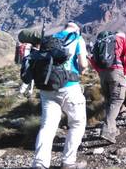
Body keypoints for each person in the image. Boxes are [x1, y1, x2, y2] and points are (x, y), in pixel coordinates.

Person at [33, 22, 89, 169]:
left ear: (64, 27)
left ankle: (40, 164)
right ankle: (68, 162)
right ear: (77, 28)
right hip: (69, 87)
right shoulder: (77, 38)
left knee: (47, 127)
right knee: (77, 123)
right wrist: (83, 69)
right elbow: (83, 64)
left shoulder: (49, 38)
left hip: (47, 88)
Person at [89, 31, 126, 144]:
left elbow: (92, 59)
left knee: (109, 101)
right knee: (117, 100)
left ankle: (113, 129)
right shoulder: (122, 39)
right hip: (116, 71)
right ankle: (107, 130)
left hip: (103, 74)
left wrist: (99, 71)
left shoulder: (100, 42)